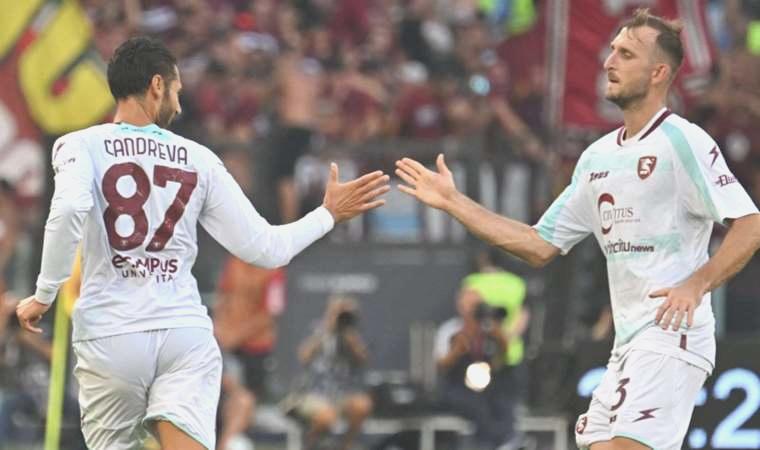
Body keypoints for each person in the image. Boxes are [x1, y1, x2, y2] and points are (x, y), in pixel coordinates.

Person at [395, 9, 760, 450]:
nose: (609, 61)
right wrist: (454, 202)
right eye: (612, 50)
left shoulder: (683, 142)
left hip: (671, 335)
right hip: (626, 343)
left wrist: (697, 283)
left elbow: (750, 223)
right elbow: (537, 244)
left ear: (659, 72)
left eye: (626, 54)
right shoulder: (597, 158)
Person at [15, 36, 389, 450]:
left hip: (111, 333)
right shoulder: (199, 159)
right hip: (183, 334)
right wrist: (327, 214)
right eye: (176, 90)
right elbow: (267, 248)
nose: (178, 103)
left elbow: (68, 210)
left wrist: (45, 293)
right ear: (156, 85)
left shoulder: (79, 145)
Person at [286, 295, 373, 450]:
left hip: (344, 393)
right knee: (326, 415)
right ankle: (309, 445)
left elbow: (363, 359)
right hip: (313, 392)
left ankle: (346, 445)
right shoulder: (317, 329)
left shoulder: (353, 333)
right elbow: (304, 356)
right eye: (338, 312)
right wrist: (327, 328)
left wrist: (350, 335)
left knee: (362, 405)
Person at [434, 287, 512, 450]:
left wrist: (500, 337)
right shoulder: (451, 330)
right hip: (456, 387)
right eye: (470, 305)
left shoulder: (488, 330)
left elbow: (500, 361)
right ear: (460, 307)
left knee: (503, 404)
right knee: (478, 407)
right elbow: (441, 365)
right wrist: (457, 349)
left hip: (484, 386)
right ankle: (490, 444)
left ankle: (507, 441)